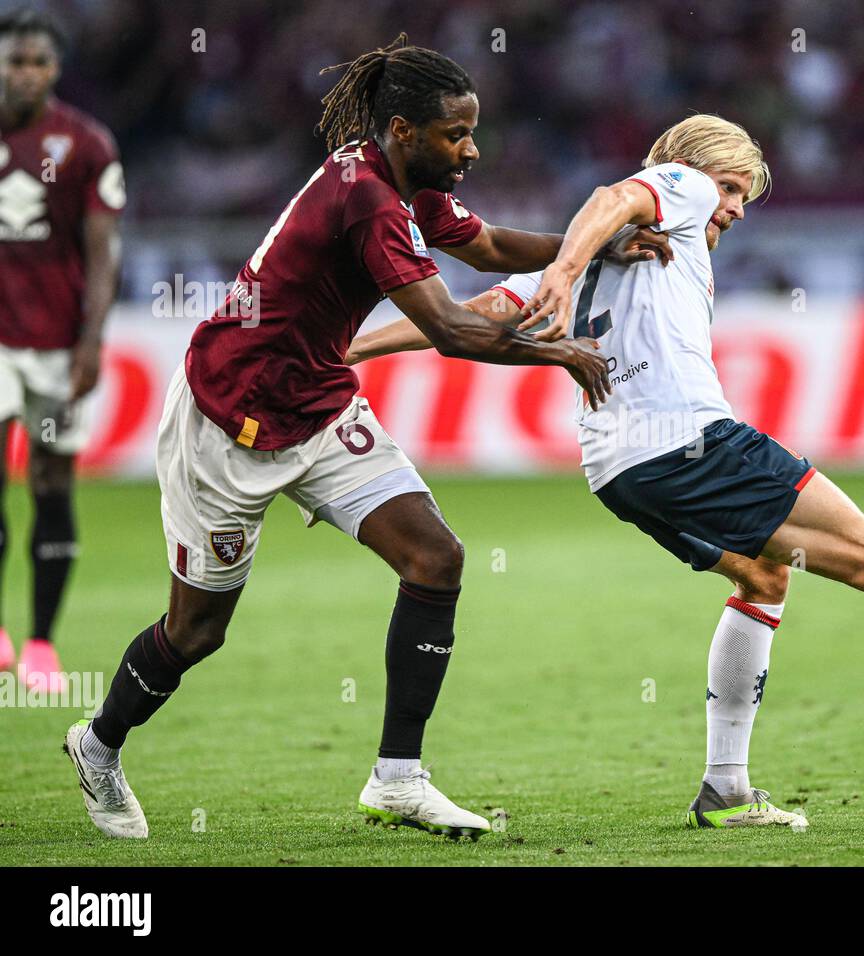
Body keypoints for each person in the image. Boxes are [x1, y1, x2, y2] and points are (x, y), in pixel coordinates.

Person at [347, 114, 864, 829]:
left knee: (765, 577)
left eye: (741, 197)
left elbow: (473, 312)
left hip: (617, 470)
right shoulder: (676, 187)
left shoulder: (622, 247)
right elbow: (613, 196)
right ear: (694, 166)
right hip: (691, 442)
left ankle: (726, 790)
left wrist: (348, 352)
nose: (735, 209)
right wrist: (568, 269)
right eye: (734, 188)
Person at [61, 35, 653, 841]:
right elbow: (447, 327)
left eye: (473, 131)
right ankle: (97, 745)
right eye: (457, 134)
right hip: (228, 420)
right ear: (404, 130)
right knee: (196, 632)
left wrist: (593, 247)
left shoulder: (404, 179)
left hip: (318, 408)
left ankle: (398, 778)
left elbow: (484, 247)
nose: (472, 149)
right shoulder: (369, 200)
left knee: (435, 557)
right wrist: (557, 350)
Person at [0, 9, 123, 691]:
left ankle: (42, 641)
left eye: (37, 63)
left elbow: (103, 254)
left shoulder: (84, 143)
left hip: (53, 345)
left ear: (55, 69)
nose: (25, 73)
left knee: (51, 485)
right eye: (15, 60)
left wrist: (91, 340)